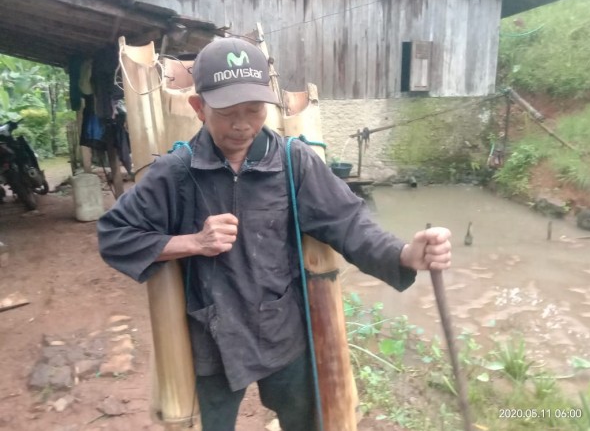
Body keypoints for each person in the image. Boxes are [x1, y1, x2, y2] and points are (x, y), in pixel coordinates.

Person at [97, 37, 452, 431]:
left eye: (254, 110)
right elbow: (114, 235)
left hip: (282, 330)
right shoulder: (176, 171)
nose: (243, 124)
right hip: (212, 337)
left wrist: (404, 253)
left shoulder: (292, 160)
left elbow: (348, 221)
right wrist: (192, 243)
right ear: (198, 108)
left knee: (304, 422)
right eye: (228, 112)